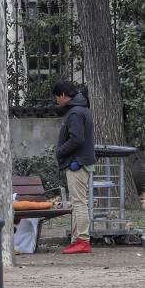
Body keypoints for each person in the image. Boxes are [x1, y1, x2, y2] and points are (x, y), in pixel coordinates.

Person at [52, 81, 95, 254]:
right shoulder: (82, 109)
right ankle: (77, 240)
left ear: (62, 95)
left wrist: (60, 151)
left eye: (56, 97)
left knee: (79, 203)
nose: (56, 101)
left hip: (76, 163)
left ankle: (83, 240)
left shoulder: (75, 113)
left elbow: (77, 139)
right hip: (81, 162)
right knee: (79, 202)